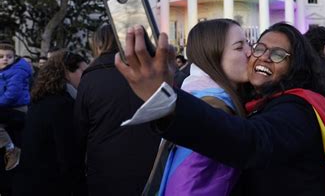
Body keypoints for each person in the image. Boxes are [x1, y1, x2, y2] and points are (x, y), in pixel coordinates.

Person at [117, 23, 325, 196]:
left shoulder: (297, 109)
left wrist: (170, 102)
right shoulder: (252, 101)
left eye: (278, 54)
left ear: (295, 67)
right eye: (258, 48)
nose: (261, 56)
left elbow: (251, 140)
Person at [143, 19, 250, 195]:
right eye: (239, 47)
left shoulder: (195, 96)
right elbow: (190, 180)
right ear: (212, 56)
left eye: (248, 43)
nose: (249, 52)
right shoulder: (212, 106)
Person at [74, 24, 161, 195]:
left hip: (105, 166)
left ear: (99, 43)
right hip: (151, 164)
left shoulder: (91, 77)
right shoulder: (151, 72)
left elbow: (80, 128)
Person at [13, 50, 87, 196]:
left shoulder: (42, 98)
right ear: (67, 72)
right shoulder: (62, 105)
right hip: (47, 185)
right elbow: (67, 155)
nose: (86, 77)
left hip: (29, 183)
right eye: (83, 71)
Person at [0, 43, 32, 171]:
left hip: (16, 109)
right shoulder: (4, 71)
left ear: (15, 57)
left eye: (9, 56)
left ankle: (11, 149)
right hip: (6, 107)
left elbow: (12, 94)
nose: (5, 59)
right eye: (1, 56)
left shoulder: (17, 71)